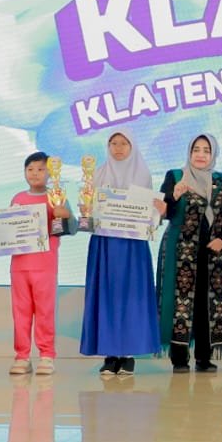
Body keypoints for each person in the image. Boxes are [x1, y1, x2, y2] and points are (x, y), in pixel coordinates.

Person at [156, 132, 222, 372]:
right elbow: (163, 210)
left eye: (206, 150)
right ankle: (179, 359)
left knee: (208, 303)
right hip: (180, 251)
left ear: (213, 154)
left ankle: (204, 357)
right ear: (189, 153)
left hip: (213, 254)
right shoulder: (175, 176)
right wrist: (174, 196)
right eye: (196, 150)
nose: (201, 155)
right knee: (179, 303)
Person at [82, 131, 162, 377]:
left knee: (131, 297)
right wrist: (86, 210)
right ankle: (109, 355)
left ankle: (127, 355)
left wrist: (157, 212)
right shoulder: (97, 174)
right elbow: (90, 213)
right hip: (105, 246)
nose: (118, 148)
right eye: (113, 143)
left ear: (132, 146)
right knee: (107, 295)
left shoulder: (142, 174)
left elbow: (149, 216)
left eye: (124, 143)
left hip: (132, 247)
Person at [9, 150, 74, 376]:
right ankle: (22, 356)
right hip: (19, 266)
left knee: (45, 311)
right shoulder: (18, 198)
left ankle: (47, 355)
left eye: (40, 169)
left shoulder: (57, 196)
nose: (35, 173)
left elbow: (73, 227)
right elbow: (7, 229)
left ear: (50, 173)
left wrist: (64, 213)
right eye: (30, 169)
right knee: (21, 313)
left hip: (45, 265)